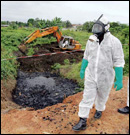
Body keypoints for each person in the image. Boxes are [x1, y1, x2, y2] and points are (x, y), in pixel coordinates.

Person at [72, 14, 125, 131]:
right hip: (91, 74)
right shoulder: (91, 41)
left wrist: (119, 79)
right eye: (95, 27)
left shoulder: (114, 42)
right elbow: (86, 56)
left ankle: (99, 109)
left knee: (102, 96)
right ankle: (82, 120)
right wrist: (82, 69)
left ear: (106, 28)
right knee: (87, 97)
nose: (96, 30)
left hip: (106, 76)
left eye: (99, 28)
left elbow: (119, 61)